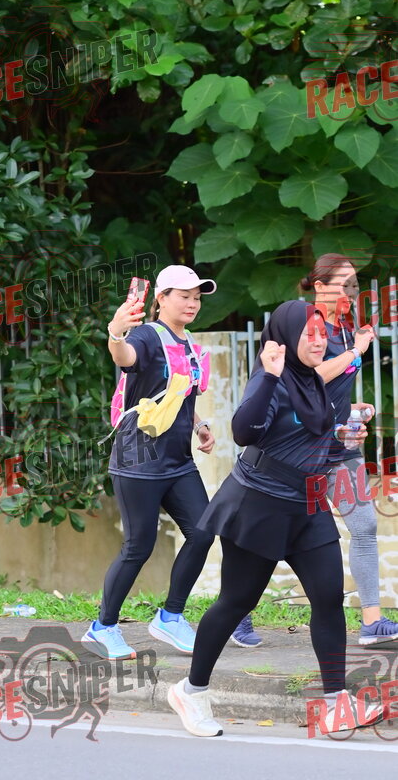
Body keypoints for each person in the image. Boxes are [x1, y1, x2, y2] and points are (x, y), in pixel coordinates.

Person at [167, 300, 384, 737]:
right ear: (284, 338)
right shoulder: (273, 377)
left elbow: (314, 441)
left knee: (328, 598)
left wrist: (346, 438)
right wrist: (268, 375)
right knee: (236, 602)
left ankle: (335, 704)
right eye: (309, 334)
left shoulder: (314, 381)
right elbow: (244, 431)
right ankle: (191, 691)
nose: (320, 341)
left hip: (308, 506)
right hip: (259, 505)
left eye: (322, 333)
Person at [81, 265, 217, 660]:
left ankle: (170, 618)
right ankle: (102, 628)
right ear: (161, 298)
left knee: (203, 531)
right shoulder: (146, 335)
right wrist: (116, 332)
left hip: (178, 461)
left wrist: (199, 425)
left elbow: (177, 396)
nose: (192, 303)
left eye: (197, 297)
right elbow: (125, 357)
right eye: (184, 296)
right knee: (138, 546)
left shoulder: (189, 344)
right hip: (137, 461)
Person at [300, 253, 398, 646]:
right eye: (344, 284)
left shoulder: (345, 328)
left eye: (354, 285)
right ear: (319, 287)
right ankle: (237, 612)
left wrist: (353, 410)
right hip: (299, 448)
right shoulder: (307, 326)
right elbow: (307, 381)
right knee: (278, 532)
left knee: (364, 526)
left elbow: (331, 389)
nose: (351, 292)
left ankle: (372, 621)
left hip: (342, 446)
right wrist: (356, 352)